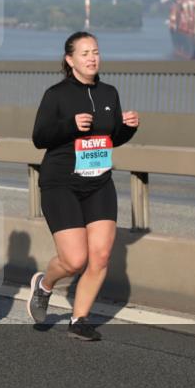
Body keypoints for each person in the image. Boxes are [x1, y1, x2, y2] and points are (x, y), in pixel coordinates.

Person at [26, 32, 139, 340]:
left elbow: (109, 138)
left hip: (99, 182)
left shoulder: (109, 93)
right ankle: (45, 285)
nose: (92, 58)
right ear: (70, 60)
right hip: (61, 183)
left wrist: (128, 129)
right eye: (85, 53)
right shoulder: (56, 94)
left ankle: (79, 319)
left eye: (96, 52)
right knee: (75, 260)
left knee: (100, 256)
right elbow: (39, 137)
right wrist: (69, 126)